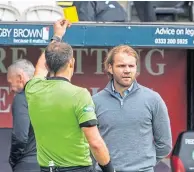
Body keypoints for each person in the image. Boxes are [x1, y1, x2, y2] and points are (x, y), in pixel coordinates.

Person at [24, 19, 115, 172]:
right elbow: (95, 143)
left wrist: (57, 36)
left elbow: (40, 68)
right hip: (77, 168)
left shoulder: (33, 89)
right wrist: (110, 169)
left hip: (47, 168)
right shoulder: (79, 95)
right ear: (72, 62)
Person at [92, 45, 172, 172]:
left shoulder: (153, 99)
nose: (127, 70)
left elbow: (165, 145)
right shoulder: (95, 101)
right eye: (121, 66)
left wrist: (144, 165)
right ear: (110, 68)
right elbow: (90, 145)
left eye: (131, 66)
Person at [7, 59, 40, 172]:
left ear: (20, 77)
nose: (11, 89)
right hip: (52, 163)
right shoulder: (48, 95)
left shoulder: (22, 98)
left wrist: (13, 160)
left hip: (28, 164)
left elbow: (20, 137)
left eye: (11, 83)